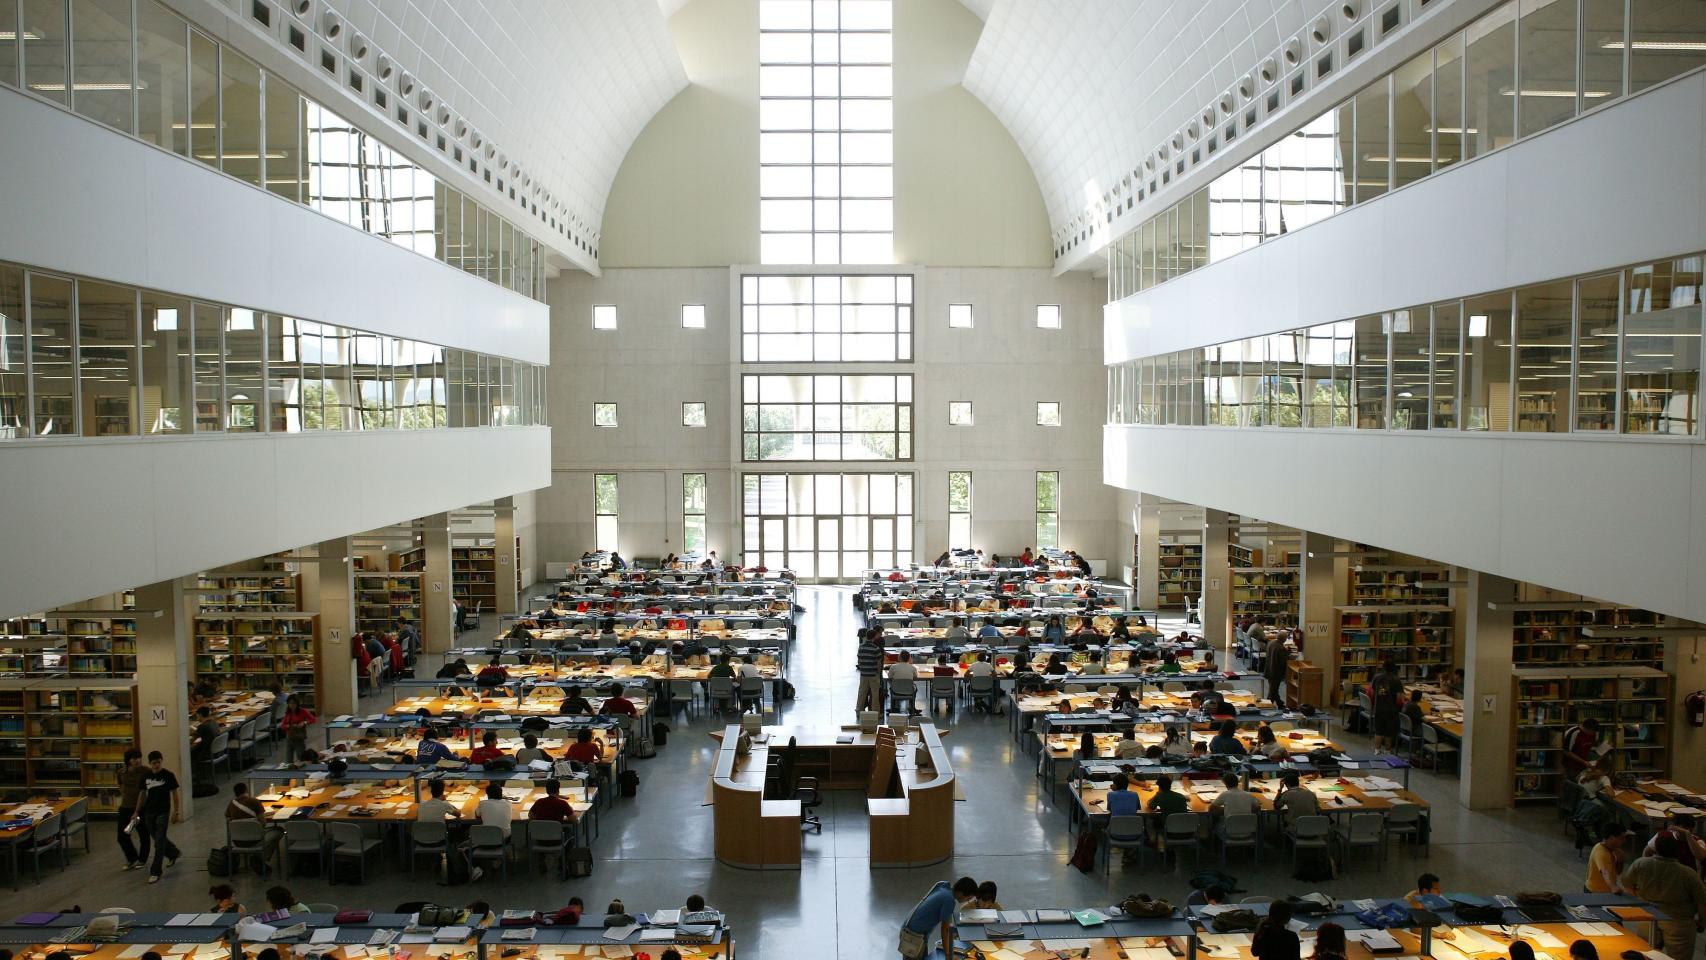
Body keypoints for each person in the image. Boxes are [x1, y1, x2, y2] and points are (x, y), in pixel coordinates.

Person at [1621, 831, 1706, 960]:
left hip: (1648, 917)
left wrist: (1639, 903)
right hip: (1678, 923)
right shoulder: (1688, 873)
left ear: (1655, 847)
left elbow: (1627, 884)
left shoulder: (1641, 864)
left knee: (1645, 955)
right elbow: (1702, 901)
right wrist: (1702, 922)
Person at [900, 876, 979, 959]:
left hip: (910, 927)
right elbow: (945, 930)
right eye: (968, 898)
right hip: (913, 936)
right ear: (962, 893)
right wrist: (949, 955)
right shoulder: (949, 900)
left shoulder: (943, 885)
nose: (967, 901)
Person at [134, 750, 181, 884]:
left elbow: (175, 795)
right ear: (150, 763)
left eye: (158, 762)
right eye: (154, 763)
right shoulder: (145, 777)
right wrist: (137, 811)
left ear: (161, 761)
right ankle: (173, 853)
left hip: (163, 812)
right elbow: (142, 795)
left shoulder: (168, 776)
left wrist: (175, 812)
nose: (156, 765)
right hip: (149, 812)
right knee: (157, 837)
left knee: (158, 843)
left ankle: (156, 871)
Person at [116, 747, 151, 870]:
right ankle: (132, 858)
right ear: (128, 760)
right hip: (126, 807)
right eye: (134, 758)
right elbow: (120, 785)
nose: (137, 761)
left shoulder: (146, 771)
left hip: (141, 808)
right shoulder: (121, 772)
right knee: (123, 835)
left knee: (143, 834)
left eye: (139, 758)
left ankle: (142, 859)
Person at [1370, 659, 1402, 752]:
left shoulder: (1377, 677)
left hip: (1379, 708)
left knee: (1378, 730)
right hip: (1391, 710)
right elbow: (1399, 698)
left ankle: (1377, 750)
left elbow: (1372, 692)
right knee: (1389, 732)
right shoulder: (1396, 680)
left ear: (1383, 668)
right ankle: (1388, 750)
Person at [1586, 824, 1629, 894]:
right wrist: (1614, 887)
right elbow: (1605, 872)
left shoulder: (1615, 851)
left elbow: (1618, 872)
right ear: (1612, 838)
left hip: (1607, 892)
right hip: (1594, 892)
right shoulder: (1600, 852)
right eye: (1621, 838)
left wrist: (1620, 861)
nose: (1624, 840)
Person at [280, 694, 316, 763]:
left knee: (301, 759)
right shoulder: (288, 713)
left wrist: (304, 722)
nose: (291, 705)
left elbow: (313, 720)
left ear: (297, 703)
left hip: (299, 739)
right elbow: (282, 726)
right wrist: (288, 726)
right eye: (290, 703)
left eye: (293, 703)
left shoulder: (303, 711)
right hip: (289, 739)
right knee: (288, 761)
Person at [856, 629, 884, 714]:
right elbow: (879, 663)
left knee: (862, 693)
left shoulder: (861, 647)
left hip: (864, 674)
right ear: (874, 637)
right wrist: (879, 673)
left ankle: (859, 710)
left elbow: (859, 659)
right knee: (874, 694)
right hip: (873, 674)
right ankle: (875, 712)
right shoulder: (875, 648)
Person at [1264, 631, 1290, 704]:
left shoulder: (1271, 643)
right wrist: (1288, 652)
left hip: (1269, 668)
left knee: (1273, 688)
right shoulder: (1281, 648)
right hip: (1276, 671)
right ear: (1284, 639)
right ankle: (1268, 704)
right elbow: (1283, 661)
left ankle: (1279, 702)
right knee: (1273, 690)